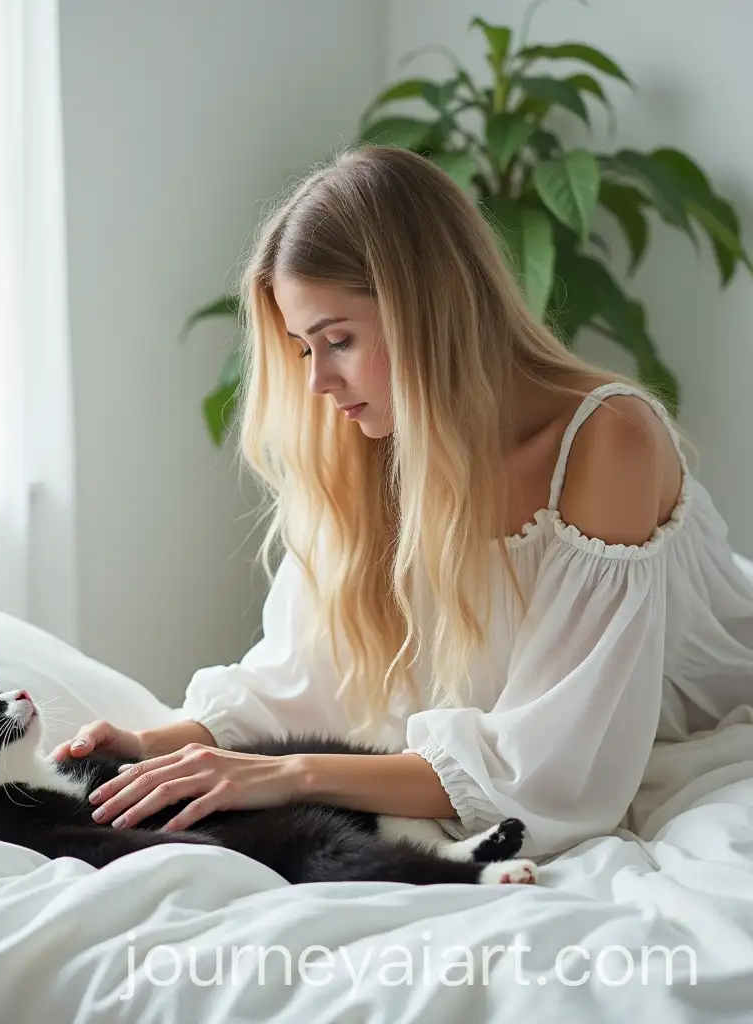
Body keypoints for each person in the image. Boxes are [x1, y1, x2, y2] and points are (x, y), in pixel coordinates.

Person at [53, 146, 753, 861]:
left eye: (338, 340)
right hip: (567, 762)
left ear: (429, 309)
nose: (319, 381)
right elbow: (312, 677)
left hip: (704, 734)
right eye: (302, 350)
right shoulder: (373, 444)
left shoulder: (608, 440)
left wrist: (285, 775)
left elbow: (555, 769)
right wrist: (165, 742)